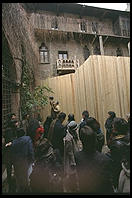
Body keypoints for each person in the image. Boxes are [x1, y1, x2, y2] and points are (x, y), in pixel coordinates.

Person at [75, 124, 113, 194]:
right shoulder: (105, 159)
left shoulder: (76, 157)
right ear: (95, 139)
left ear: (81, 140)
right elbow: (108, 185)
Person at [106, 117, 130, 191]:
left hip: (121, 173)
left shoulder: (115, 144)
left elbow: (115, 164)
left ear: (116, 129)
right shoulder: (126, 138)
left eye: (113, 126)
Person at [10, 128, 35, 193]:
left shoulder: (14, 143)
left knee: (19, 178)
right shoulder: (28, 139)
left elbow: (12, 154)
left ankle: (20, 189)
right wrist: (32, 160)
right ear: (24, 133)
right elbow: (31, 150)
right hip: (25, 161)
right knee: (26, 177)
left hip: (17, 163)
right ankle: (26, 190)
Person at [63, 121, 79, 192]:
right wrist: (73, 162)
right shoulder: (68, 139)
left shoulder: (72, 135)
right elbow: (70, 152)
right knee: (72, 173)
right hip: (70, 160)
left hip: (74, 157)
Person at [3, 119, 19, 193]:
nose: (17, 123)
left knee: (10, 167)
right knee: (11, 166)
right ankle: (11, 183)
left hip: (9, 152)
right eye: (16, 122)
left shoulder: (10, 129)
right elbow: (10, 140)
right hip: (10, 152)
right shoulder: (10, 130)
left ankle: (10, 181)